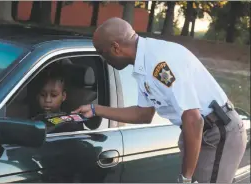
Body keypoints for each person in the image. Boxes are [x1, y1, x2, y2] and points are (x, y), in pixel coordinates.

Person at [73, 17, 247, 183]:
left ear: (116, 48)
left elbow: (193, 119)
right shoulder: (143, 64)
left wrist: (185, 178)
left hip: (218, 133)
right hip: (201, 133)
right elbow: (143, 114)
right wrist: (96, 110)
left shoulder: (159, 62)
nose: (103, 59)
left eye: (102, 53)